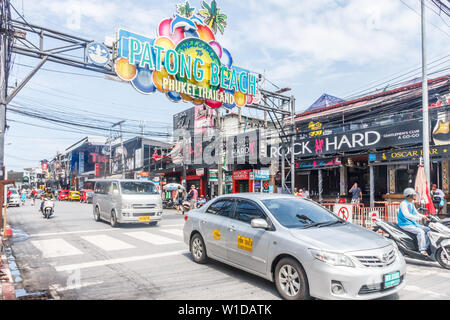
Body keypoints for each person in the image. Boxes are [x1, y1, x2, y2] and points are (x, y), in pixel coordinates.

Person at [398, 188, 431, 256]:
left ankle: (426, 247)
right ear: (409, 195)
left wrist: (424, 216)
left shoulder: (411, 203)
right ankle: (422, 250)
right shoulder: (403, 204)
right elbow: (406, 215)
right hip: (405, 224)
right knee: (420, 232)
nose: (415, 196)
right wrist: (418, 218)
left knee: (428, 230)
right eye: (414, 195)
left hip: (412, 223)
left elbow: (416, 213)